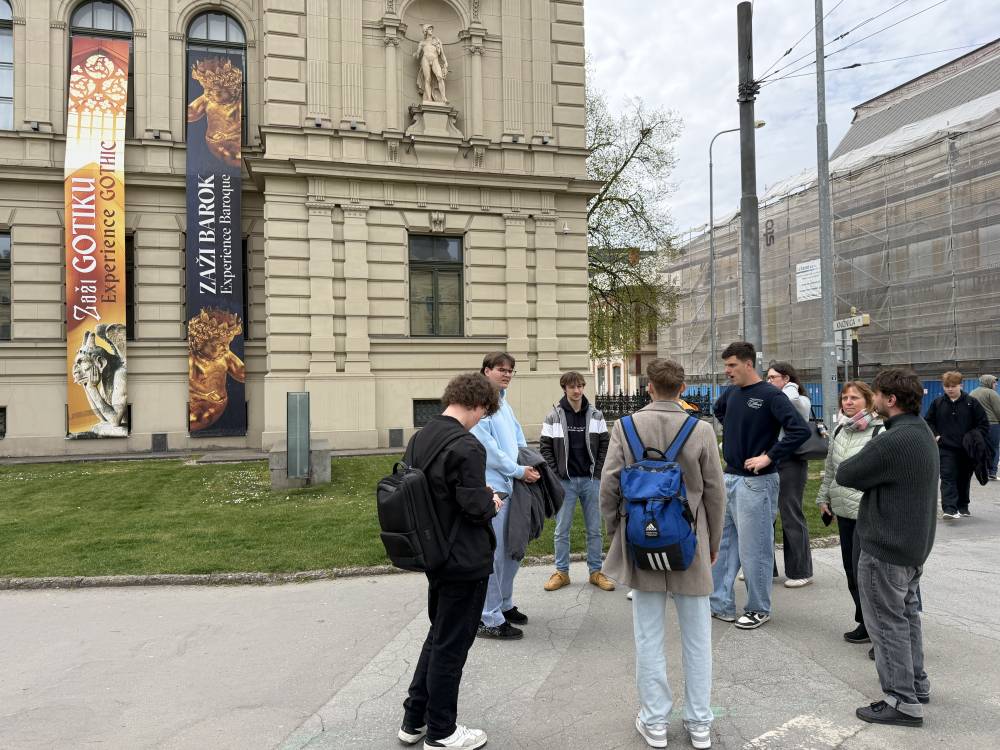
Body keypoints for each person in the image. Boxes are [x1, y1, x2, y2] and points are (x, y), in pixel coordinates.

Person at [599, 359, 725, 749]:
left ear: (649, 387)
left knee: (648, 635)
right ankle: (699, 722)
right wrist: (713, 542)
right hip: (690, 540)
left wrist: (616, 533)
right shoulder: (701, 429)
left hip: (642, 539)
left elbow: (609, 485)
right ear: (683, 388)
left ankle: (654, 721)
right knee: (698, 636)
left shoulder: (625, 426)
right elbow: (715, 493)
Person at [398, 372, 502, 750]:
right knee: (452, 645)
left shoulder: (421, 436)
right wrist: (491, 501)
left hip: (434, 551)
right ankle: (442, 732)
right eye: (484, 412)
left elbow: (437, 492)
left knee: (439, 635)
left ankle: (415, 719)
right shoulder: (467, 445)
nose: (481, 419)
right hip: (464, 556)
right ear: (477, 405)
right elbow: (474, 507)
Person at [836, 368, 938, 728]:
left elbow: (846, 473)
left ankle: (902, 701)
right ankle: (916, 685)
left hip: (886, 548)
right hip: (912, 546)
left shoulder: (892, 439)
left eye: (876, 394)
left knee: (886, 623)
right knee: (906, 617)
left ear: (890, 400)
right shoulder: (920, 430)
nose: (873, 399)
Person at [709, 342, 810, 630]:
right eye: (726, 365)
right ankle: (720, 603)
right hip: (730, 478)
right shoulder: (731, 394)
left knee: (755, 550)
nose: (727, 371)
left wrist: (769, 456)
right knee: (724, 546)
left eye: (732, 365)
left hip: (757, 484)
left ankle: (758, 608)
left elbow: (799, 430)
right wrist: (737, 434)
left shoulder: (770, 395)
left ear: (748, 364)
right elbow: (719, 410)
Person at [472, 352, 539, 640]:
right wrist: (517, 470)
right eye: (501, 369)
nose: (507, 374)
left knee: (513, 550)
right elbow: (488, 449)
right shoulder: (479, 403)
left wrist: (527, 463)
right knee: (495, 555)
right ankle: (488, 617)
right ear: (486, 370)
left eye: (511, 370)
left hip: (513, 485)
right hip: (494, 490)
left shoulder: (503, 403)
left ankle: (504, 603)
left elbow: (518, 438)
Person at [815, 381, 883, 645]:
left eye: (854, 398)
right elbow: (830, 469)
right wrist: (823, 497)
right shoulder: (840, 429)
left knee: (868, 574)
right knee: (851, 571)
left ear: (868, 400)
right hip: (843, 511)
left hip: (867, 514)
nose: (848, 402)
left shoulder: (879, 430)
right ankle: (865, 622)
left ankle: (880, 630)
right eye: (845, 398)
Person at [539, 371, 614, 592]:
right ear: (564, 389)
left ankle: (595, 572)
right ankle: (562, 573)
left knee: (595, 529)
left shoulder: (596, 415)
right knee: (562, 529)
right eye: (572, 387)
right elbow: (545, 448)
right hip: (565, 482)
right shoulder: (553, 416)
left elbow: (604, 445)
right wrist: (556, 474)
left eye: (580, 386)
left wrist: (597, 473)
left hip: (590, 480)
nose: (577, 390)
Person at [765, 362, 813, 588]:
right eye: (767, 377)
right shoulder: (772, 400)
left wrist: (790, 387)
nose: (768, 381)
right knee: (766, 515)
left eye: (773, 377)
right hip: (771, 459)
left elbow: (793, 403)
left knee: (790, 514)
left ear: (787, 379)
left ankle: (800, 570)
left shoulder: (800, 399)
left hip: (792, 461)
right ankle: (766, 568)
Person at [924, 371, 989, 519]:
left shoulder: (972, 403)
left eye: (953, 386)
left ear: (961, 385)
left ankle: (963, 506)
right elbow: (928, 421)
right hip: (945, 448)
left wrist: (973, 437)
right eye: (947, 386)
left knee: (964, 478)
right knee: (947, 476)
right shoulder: (937, 403)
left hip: (967, 449)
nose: (950, 389)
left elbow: (983, 424)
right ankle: (949, 509)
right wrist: (936, 435)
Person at [969, 374, 1000, 480]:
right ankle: (992, 471)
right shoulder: (992, 393)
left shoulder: (972, 393)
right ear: (988, 382)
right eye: (994, 382)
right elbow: (998, 410)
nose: (996, 384)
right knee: (994, 448)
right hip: (992, 425)